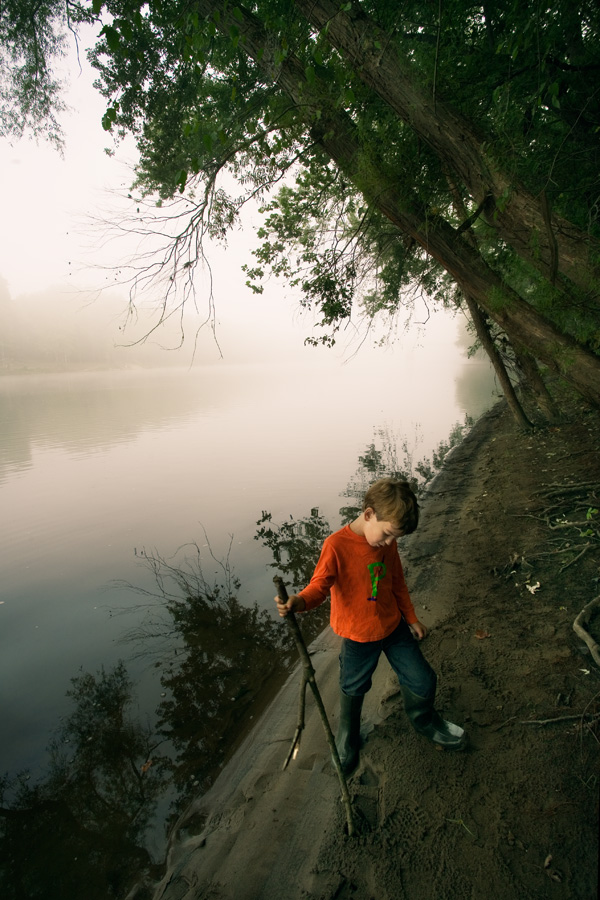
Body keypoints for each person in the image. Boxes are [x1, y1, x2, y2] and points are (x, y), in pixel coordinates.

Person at [275, 477, 466, 774]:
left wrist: (411, 618)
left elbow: (397, 582)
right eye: (389, 534)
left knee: (423, 679)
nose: (390, 543)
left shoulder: (386, 544)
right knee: (353, 687)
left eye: (396, 539)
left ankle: (425, 721)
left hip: (393, 628)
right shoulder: (336, 546)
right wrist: (298, 602)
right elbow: (318, 587)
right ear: (368, 514)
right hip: (357, 636)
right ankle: (347, 737)